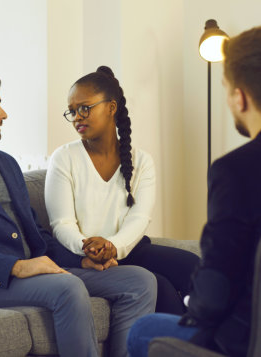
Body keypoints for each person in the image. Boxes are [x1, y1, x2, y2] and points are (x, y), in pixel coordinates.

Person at [0, 69, 158, 357]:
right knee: (68, 287)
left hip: (35, 271)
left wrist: (81, 260)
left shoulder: (6, 163)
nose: (4, 114)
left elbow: (37, 235)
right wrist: (16, 266)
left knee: (139, 281)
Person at [127, 26, 261, 357]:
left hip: (243, 339)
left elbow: (216, 283)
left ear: (239, 97)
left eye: (226, 89)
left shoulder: (235, 170)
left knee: (143, 329)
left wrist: (195, 309)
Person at [45, 65, 200, 314]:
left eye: (85, 108)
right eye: (72, 111)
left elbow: (139, 219)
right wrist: (89, 246)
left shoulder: (142, 161)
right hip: (83, 256)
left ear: (111, 107)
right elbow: (61, 224)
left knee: (195, 267)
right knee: (161, 287)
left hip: (128, 250)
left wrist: (113, 246)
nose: (77, 117)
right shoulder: (63, 158)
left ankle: (218, 343)